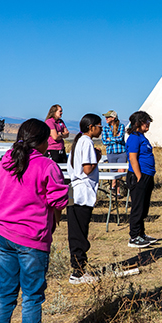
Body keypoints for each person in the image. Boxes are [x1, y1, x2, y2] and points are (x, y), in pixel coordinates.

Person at [0, 119, 68, 323]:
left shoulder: (3, 164)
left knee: (5, 294)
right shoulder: (46, 165)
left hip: (3, 235)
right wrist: (54, 221)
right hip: (32, 239)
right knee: (32, 297)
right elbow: (59, 200)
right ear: (44, 142)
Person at [66, 113, 103, 284]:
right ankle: (79, 271)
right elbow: (87, 168)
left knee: (75, 232)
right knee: (80, 233)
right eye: (99, 125)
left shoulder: (78, 141)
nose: (101, 129)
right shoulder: (87, 142)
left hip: (74, 190)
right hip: (82, 191)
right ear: (91, 127)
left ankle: (77, 268)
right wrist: (97, 157)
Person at [126, 111, 157, 248]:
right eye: (146, 121)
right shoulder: (134, 138)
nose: (148, 124)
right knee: (138, 207)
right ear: (139, 123)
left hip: (147, 175)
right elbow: (133, 158)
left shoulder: (141, 137)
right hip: (139, 176)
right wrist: (139, 176)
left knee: (143, 207)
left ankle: (141, 234)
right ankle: (134, 237)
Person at [101, 110, 126, 197]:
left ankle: (116, 189)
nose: (106, 118)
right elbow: (104, 141)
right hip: (111, 152)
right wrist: (114, 138)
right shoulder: (105, 128)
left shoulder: (121, 126)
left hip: (121, 151)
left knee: (121, 171)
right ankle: (114, 189)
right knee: (113, 171)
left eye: (108, 117)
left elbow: (120, 138)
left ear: (113, 118)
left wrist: (110, 139)